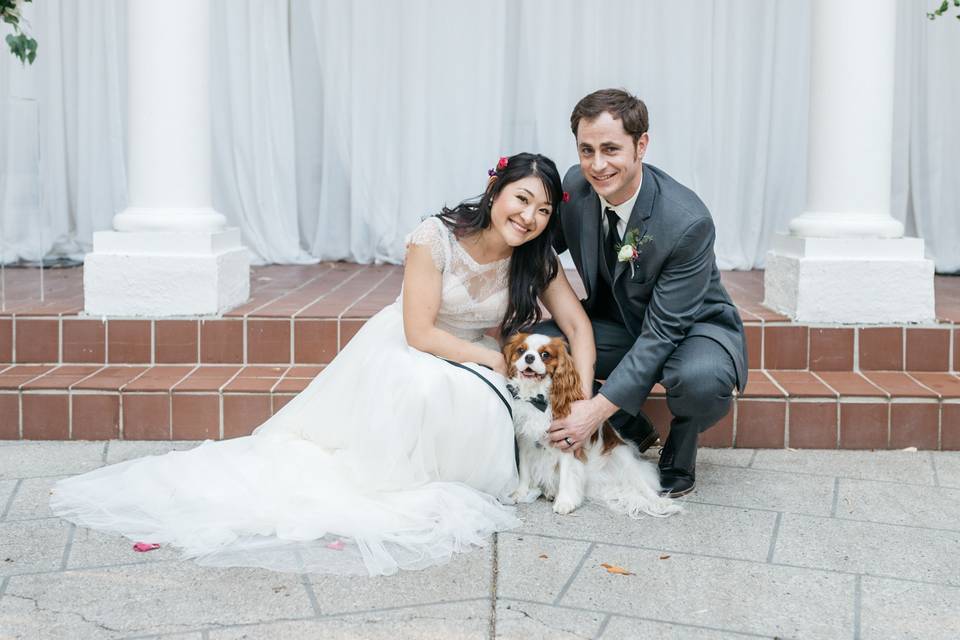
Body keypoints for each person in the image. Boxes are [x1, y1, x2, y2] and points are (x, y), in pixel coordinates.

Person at [50, 152, 597, 577]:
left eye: (543, 210)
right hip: (414, 347)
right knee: (421, 390)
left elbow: (577, 328)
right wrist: (494, 359)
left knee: (474, 407)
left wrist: (583, 403)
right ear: (495, 190)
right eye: (521, 199)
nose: (529, 217)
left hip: (477, 361)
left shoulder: (534, 257)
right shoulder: (436, 237)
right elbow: (420, 331)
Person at [538, 89, 748, 498]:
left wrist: (592, 413)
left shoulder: (687, 222)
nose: (597, 165)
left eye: (611, 149)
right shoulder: (576, 188)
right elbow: (540, 241)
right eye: (587, 150)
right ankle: (630, 423)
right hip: (619, 323)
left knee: (701, 380)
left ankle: (681, 442)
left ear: (641, 145)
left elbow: (663, 334)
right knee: (543, 345)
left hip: (691, 332)